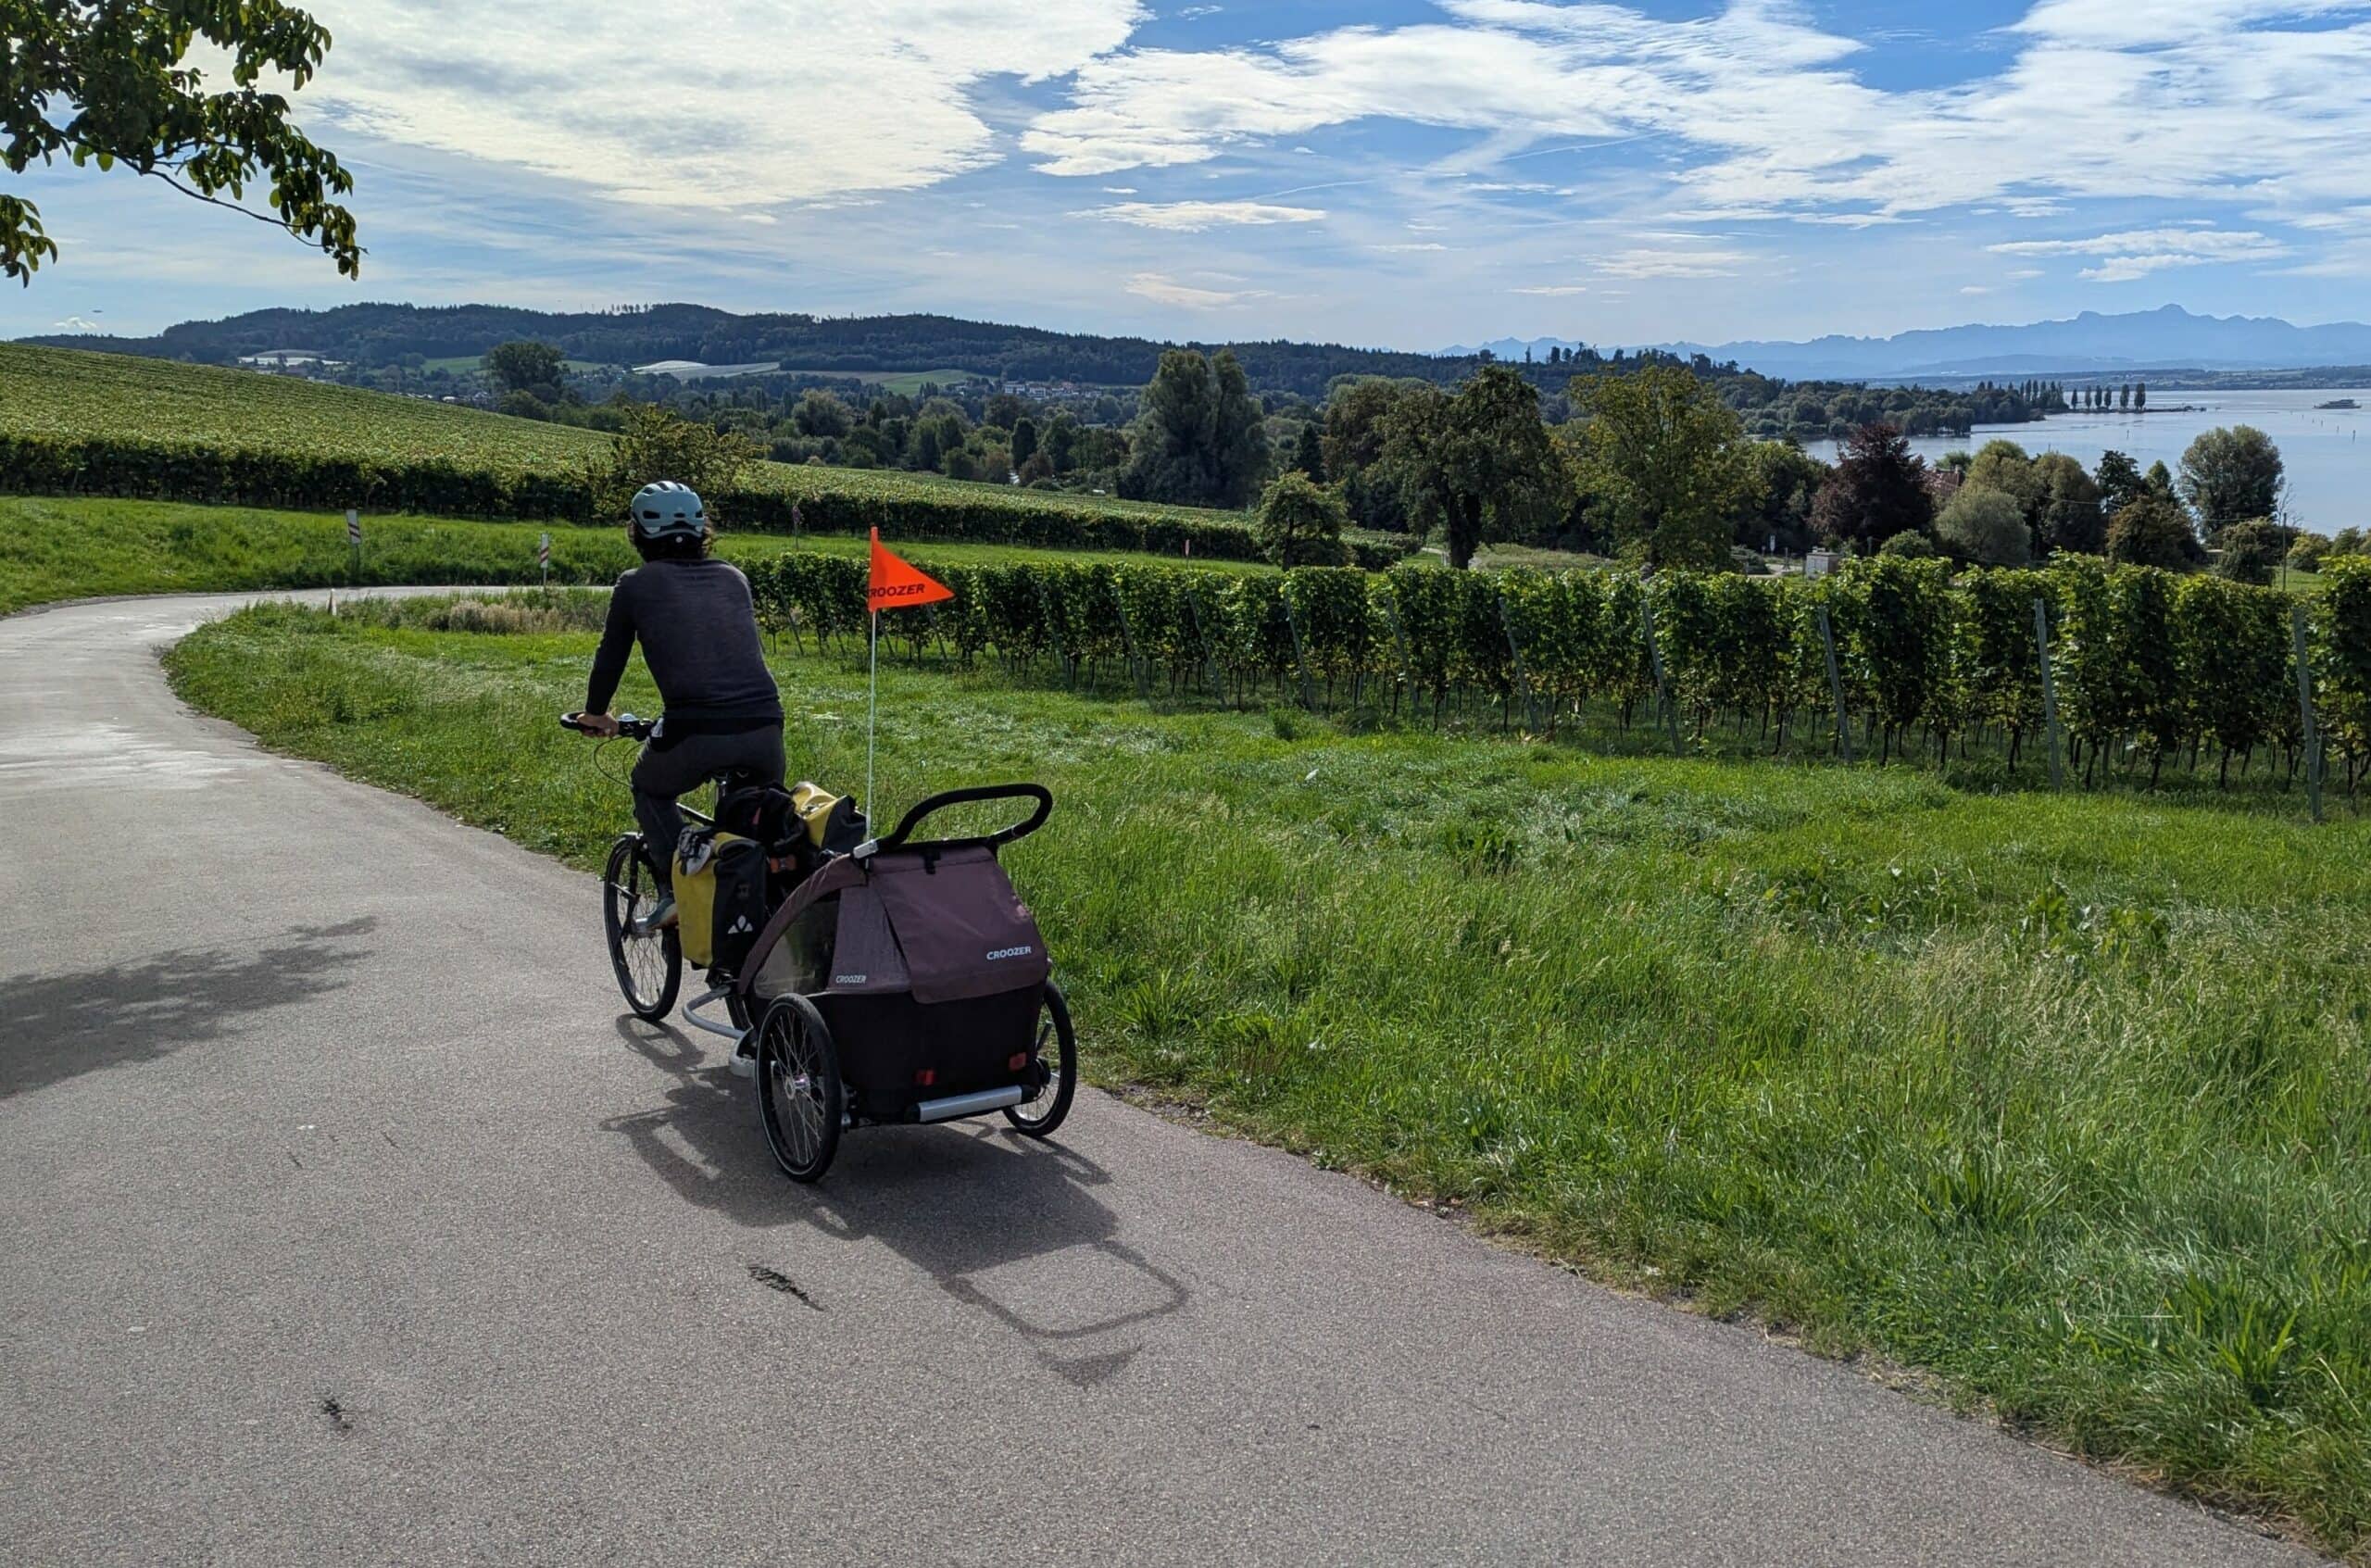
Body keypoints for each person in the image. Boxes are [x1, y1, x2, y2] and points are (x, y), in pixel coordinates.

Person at [571, 481, 783, 928]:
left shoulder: (635, 585)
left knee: (649, 786)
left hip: (694, 730)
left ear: (637, 533)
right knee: (754, 828)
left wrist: (596, 712)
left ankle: (674, 890)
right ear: (702, 530)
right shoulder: (734, 578)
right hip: (765, 729)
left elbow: (611, 657)